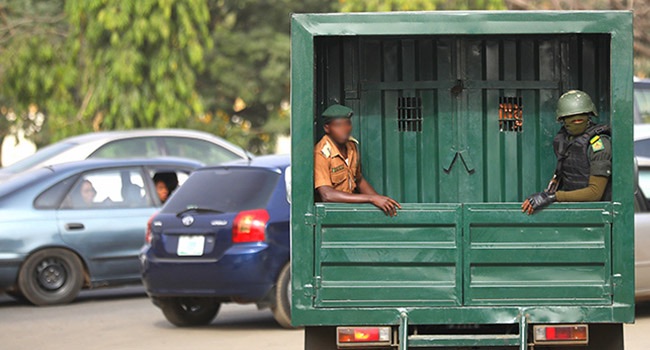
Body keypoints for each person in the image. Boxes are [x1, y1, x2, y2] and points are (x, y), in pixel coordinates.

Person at [522, 90, 612, 215]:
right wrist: (545, 196)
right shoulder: (565, 140)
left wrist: (553, 197)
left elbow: (595, 193)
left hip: (597, 214)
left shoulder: (598, 144)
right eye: (571, 117)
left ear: (589, 116)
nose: (576, 120)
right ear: (563, 120)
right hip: (573, 212)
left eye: (581, 116)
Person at [314, 104, 401, 216]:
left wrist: (379, 200)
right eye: (338, 125)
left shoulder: (351, 146)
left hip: (351, 210)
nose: (344, 129)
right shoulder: (321, 154)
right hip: (331, 214)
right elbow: (327, 195)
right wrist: (371, 199)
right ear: (327, 128)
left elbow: (358, 180)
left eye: (348, 124)